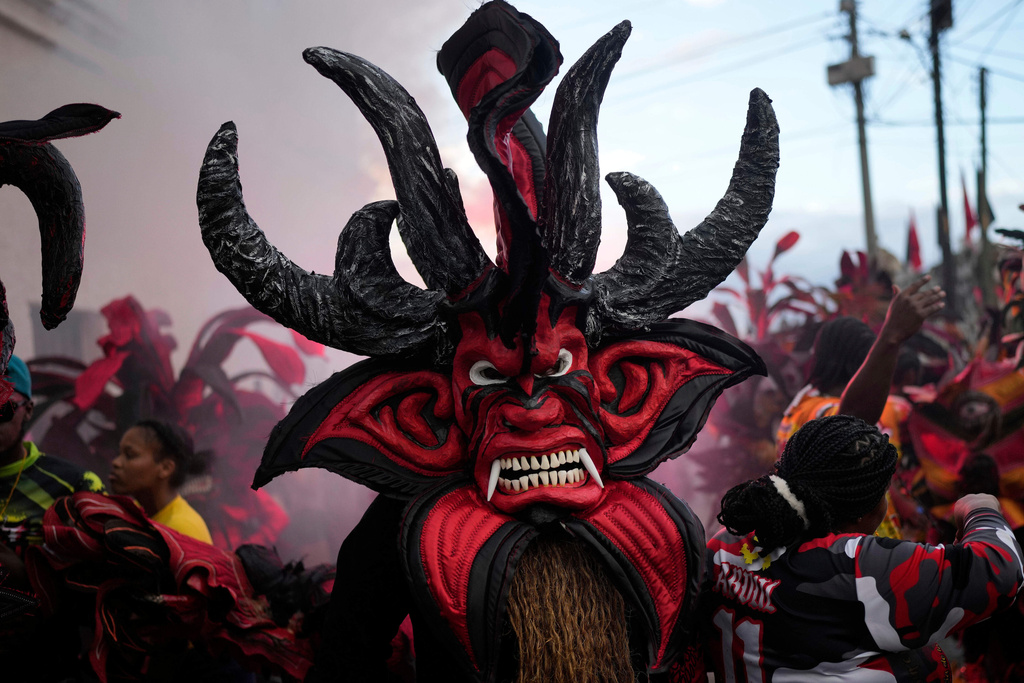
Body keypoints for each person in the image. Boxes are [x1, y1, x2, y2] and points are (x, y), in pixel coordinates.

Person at [705, 414, 1023, 681]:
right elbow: (1002, 569)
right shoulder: (855, 566)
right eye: (884, 495)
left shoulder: (725, 541)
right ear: (863, 510)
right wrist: (981, 508)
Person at [109, 419, 213, 543]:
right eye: (119, 454)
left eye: (130, 455)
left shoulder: (183, 530)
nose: (116, 462)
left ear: (165, 468)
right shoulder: (133, 513)